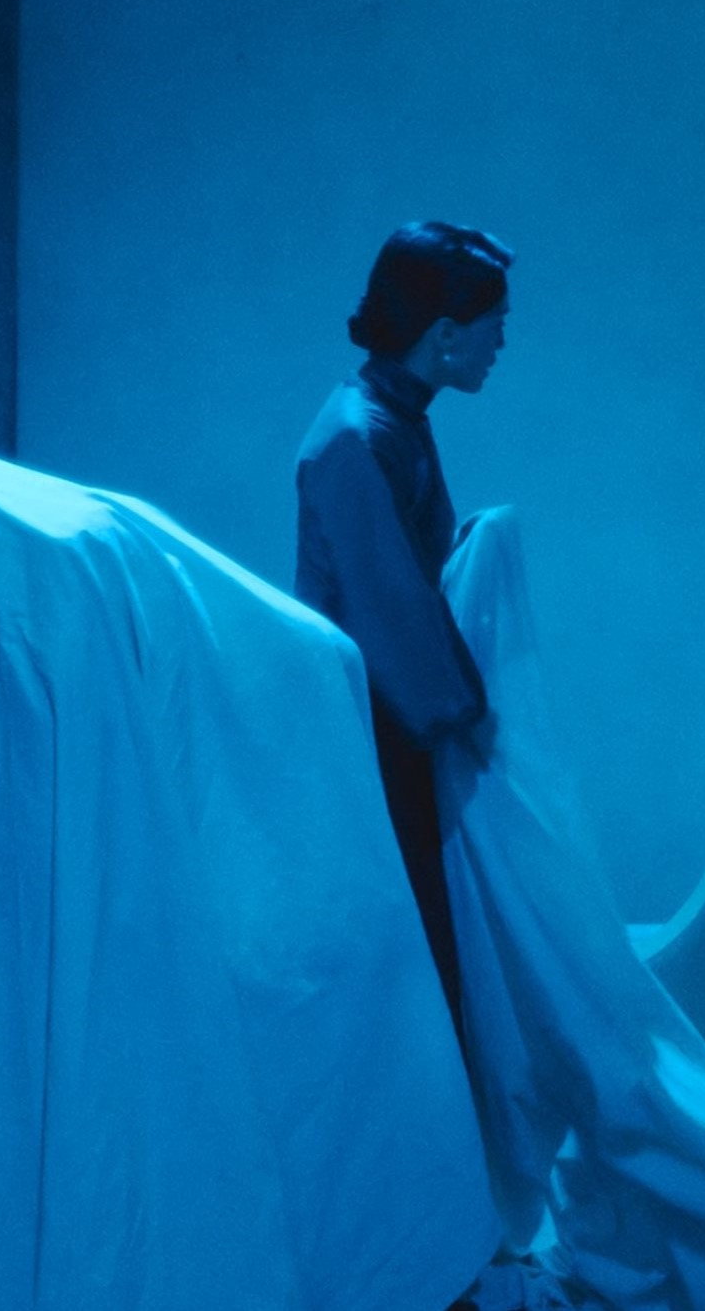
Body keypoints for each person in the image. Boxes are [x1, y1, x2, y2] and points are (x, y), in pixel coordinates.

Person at [295, 220, 512, 1034]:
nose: (500, 344)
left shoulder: (393, 417)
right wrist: (467, 718)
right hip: (371, 727)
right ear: (446, 334)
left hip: (388, 717)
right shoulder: (360, 435)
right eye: (494, 325)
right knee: (407, 939)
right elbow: (385, 604)